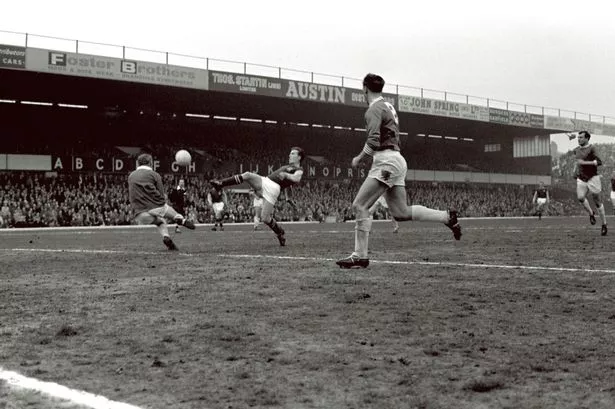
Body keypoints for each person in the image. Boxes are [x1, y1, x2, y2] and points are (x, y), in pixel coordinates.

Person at [336, 73, 461, 269]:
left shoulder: (373, 109)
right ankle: (446, 217)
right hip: (397, 159)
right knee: (400, 212)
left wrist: (359, 158)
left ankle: (360, 256)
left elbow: (374, 140)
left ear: (364, 88)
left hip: (386, 160)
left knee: (359, 205)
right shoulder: (388, 106)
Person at [210, 147, 304, 246]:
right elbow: (288, 185)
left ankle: (279, 232)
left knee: (265, 218)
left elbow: (296, 178)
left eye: (293, 154)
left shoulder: (299, 169)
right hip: (266, 181)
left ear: (299, 157)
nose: (290, 155)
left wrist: (286, 175)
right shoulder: (287, 166)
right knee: (247, 175)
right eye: (290, 153)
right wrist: (288, 197)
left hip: (273, 188)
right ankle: (221, 183)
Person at [128, 154, 195, 250]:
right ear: (150, 162)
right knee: (169, 211)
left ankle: (166, 237)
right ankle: (180, 219)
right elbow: (161, 194)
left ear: (138, 163)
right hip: (155, 206)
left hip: (139, 213)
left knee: (160, 222)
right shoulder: (154, 175)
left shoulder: (131, 176)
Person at [568, 131, 607, 236]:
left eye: (581, 137)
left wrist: (586, 163)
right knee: (580, 197)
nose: (579, 139)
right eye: (578, 137)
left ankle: (604, 224)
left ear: (587, 139)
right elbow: (577, 162)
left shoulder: (592, 148)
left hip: (593, 177)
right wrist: (574, 170)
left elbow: (599, 162)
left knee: (597, 202)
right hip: (581, 178)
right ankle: (591, 213)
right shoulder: (576, 150)